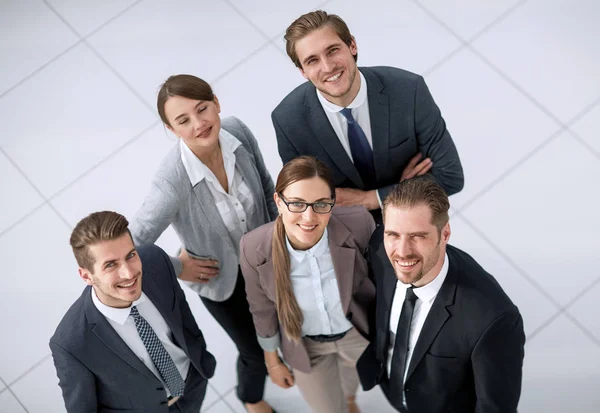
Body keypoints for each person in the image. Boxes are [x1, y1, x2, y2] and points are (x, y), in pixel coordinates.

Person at [130, 74, 277, 413]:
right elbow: (133, 246)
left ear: (216, 103)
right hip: (222, 281)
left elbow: (267, 185)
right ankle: (251, 399)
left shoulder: (237, 131)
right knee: (253, 352)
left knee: (278, 328)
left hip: (265, 259)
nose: (199, 124)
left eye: (203, 109)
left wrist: (279, 240)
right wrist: (178, 266)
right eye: (183, 120)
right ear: (172, 129)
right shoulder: (171, 182)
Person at [272, 10, 463, 223]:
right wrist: (405, 186)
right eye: (312, 60)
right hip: (346, 230)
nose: (327, 67)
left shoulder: (409, 91)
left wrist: (373, 198)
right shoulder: (289, 120)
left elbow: (450, 176)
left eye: (333, 50)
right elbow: (305, 203)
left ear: (352, 45)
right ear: (303, 72)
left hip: (409, 218)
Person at [356, 179, 525, 413]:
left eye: (417, 236)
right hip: (392, 388)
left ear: (444, 233)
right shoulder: (380, 247)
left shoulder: (493, 320)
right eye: (393, 234)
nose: (402, 251)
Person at [239, 156, 376, 413]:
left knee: (353, 382)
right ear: (278, 202)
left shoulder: (359, 224)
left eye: (321, 204)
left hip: (357, 332)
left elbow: (378, 281)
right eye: (297, 204)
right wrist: (272, 361)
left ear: (332, 202)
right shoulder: (253, 248)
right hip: (306, 346)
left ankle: (349, 399)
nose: (309, 217)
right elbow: (262, 308)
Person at [50, 211, 216, 413]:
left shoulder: (155, 261)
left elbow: (182, 317)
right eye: (111, 265)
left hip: (192, 382)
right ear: (86, 276)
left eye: (130, 255)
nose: (129, 274)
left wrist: (199, 354)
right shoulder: (71, 344)